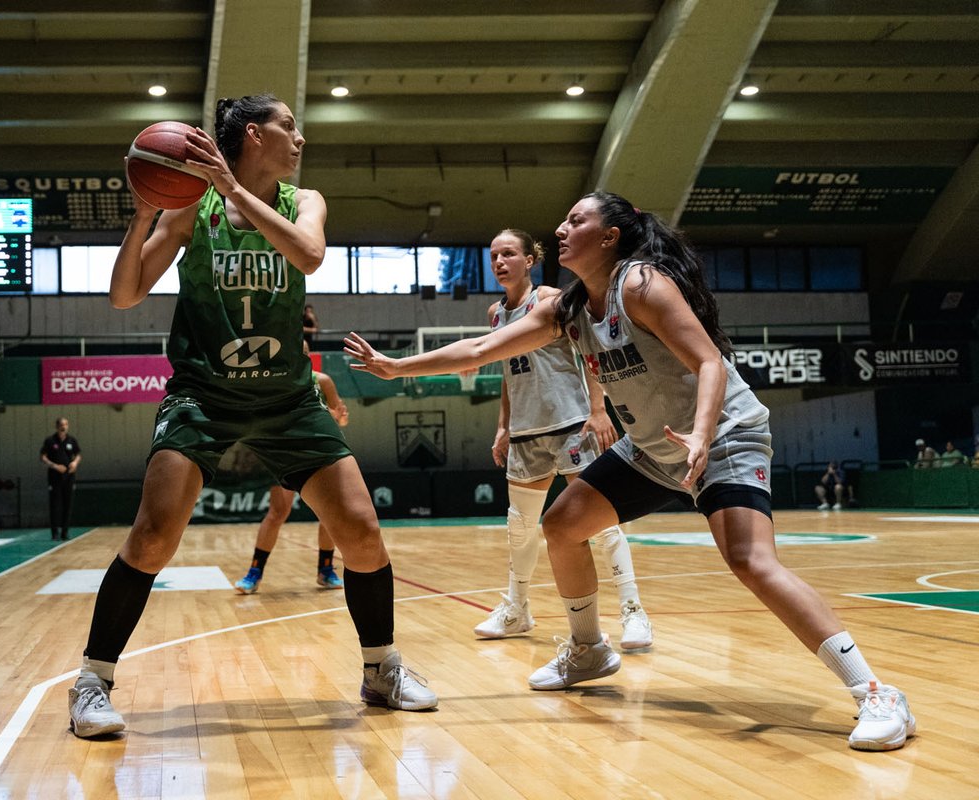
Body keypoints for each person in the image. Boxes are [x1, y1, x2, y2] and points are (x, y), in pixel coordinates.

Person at [345, 191, 914, 752]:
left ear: (610, 236)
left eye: (576, 220)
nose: (562, 230)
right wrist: (398, 367)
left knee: (750, 560)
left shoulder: (640, 285)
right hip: (652, 447)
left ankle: (876, 693)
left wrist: (702, 431)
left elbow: (710, 360)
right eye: (563, 221)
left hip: (722, 437)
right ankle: (589, 648)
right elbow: (481, 348)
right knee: (563, 524)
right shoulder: (569, 309)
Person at [66, 93, 436, 739]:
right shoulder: (192, 208)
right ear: (255, 134)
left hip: (287, 399)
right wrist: (144, 216)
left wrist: (235, 186)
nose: (300, 137)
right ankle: (92, 682)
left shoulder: (306, 202)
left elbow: (310, 256)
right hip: (203, 396)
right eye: (290, 126)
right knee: (153, 535)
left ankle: (381, 669)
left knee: (362, 532)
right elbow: (124, 295)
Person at [476, 228, 652, 650]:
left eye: (508, 254)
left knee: (602, 525)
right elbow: (505, 372)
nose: (500, 262)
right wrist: (504, 425)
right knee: (520, 528)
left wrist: (597, 410)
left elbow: (588, 353)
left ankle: (633, 611)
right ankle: (517, 609)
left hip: (572, 423)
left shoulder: (552, 301)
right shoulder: (495, 314)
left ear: (529, 260)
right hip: (526, 431)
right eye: (494, 255)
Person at [234, 360, 350, 593]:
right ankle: (254, 573)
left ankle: (326, 570)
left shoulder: (322, 380)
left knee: (329, 513)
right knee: (277, 513)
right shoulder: (276, 381)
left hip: (318, 451)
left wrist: (337, 416)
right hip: (286, 453)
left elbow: (341, 418)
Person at [40, 417, 81, 540]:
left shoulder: (71, 440)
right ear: (57, 426)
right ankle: (54, 533)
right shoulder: (50, 441)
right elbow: (43, 457)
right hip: (54, 477)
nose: (64, 427)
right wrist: (55, 466)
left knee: (67, 505)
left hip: (69, 477)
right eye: (62, 424)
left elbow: (78, 454)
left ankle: (65, 532)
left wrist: (75, 463)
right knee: (55, 505)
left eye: (66, 424)